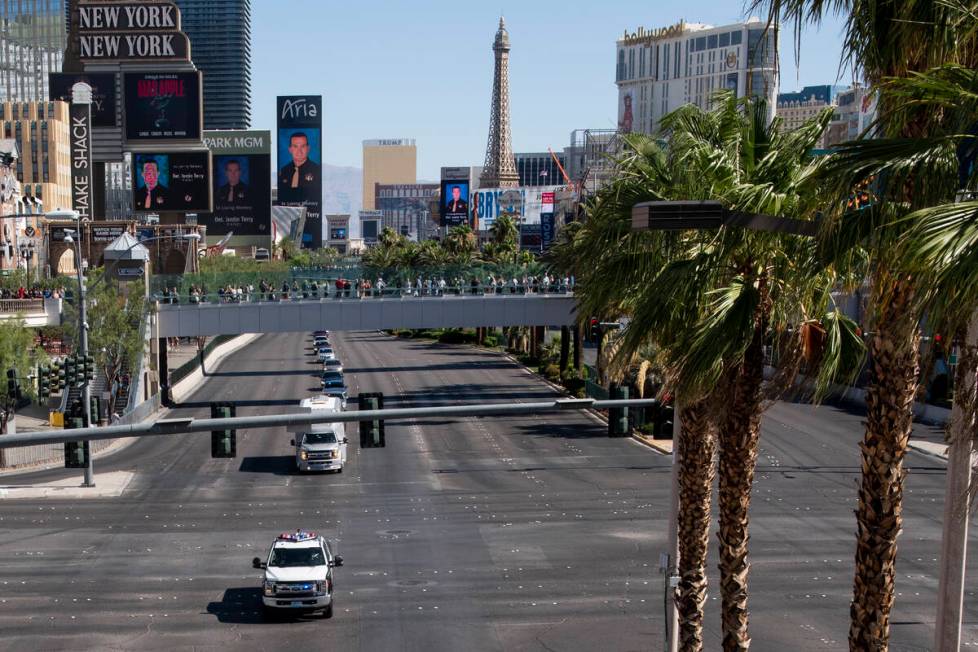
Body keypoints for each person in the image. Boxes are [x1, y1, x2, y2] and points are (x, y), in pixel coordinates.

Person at [278, 132, 321, 203]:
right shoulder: (283, 171)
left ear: (308, 148)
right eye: (295, 146)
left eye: (303, 146)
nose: (299, 151)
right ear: (290, 149)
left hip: (311, 211)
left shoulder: (317, 171)